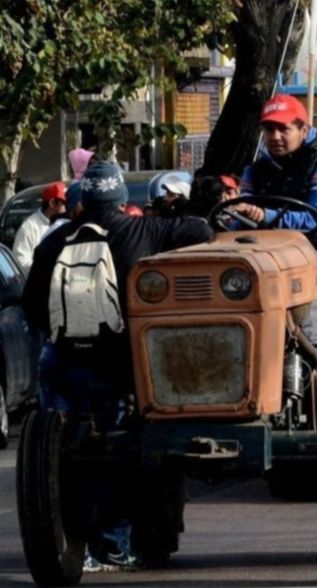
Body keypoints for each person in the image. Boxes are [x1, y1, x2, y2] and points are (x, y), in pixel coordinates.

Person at [22, 161, 213, 568]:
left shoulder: (53, 243)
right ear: (123, 199)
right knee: (122, 453)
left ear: (82, 200)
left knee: (60, 458)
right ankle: (112, 545)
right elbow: (202, 231)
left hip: (62, 365)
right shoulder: (142, 231)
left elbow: (34, 308)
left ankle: (67, 542)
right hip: (119, 365)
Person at [236, 93, 317, 347]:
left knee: (302, 275)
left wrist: (265, 217)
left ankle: (307, 356)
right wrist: (234, 216)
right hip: (266, 253)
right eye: (269, 129)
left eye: (283, 129)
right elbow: (240, 213)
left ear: (303, 129)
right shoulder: (254, 170)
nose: (275, 137)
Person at [12, 182, 67, 270]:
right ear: (52, 203)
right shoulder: (29, 227)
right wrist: (46, 269)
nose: (67, 207)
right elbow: (20, 262)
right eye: (64, 203)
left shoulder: (65, 223)